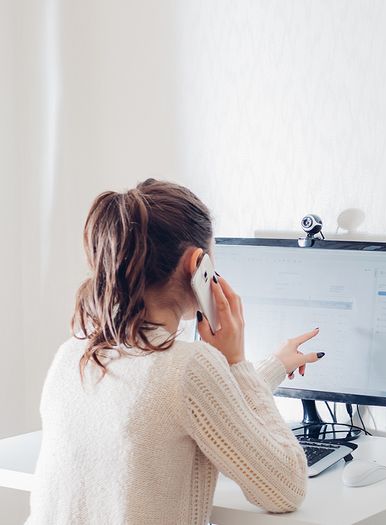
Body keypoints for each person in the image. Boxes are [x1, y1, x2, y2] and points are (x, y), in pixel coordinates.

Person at [26, 179, 323, 525]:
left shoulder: (73, 354)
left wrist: (274, 366)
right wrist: (236, 363)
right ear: (198, 263)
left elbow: (174, 405)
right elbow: (287, 488)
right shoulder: (190, 367)